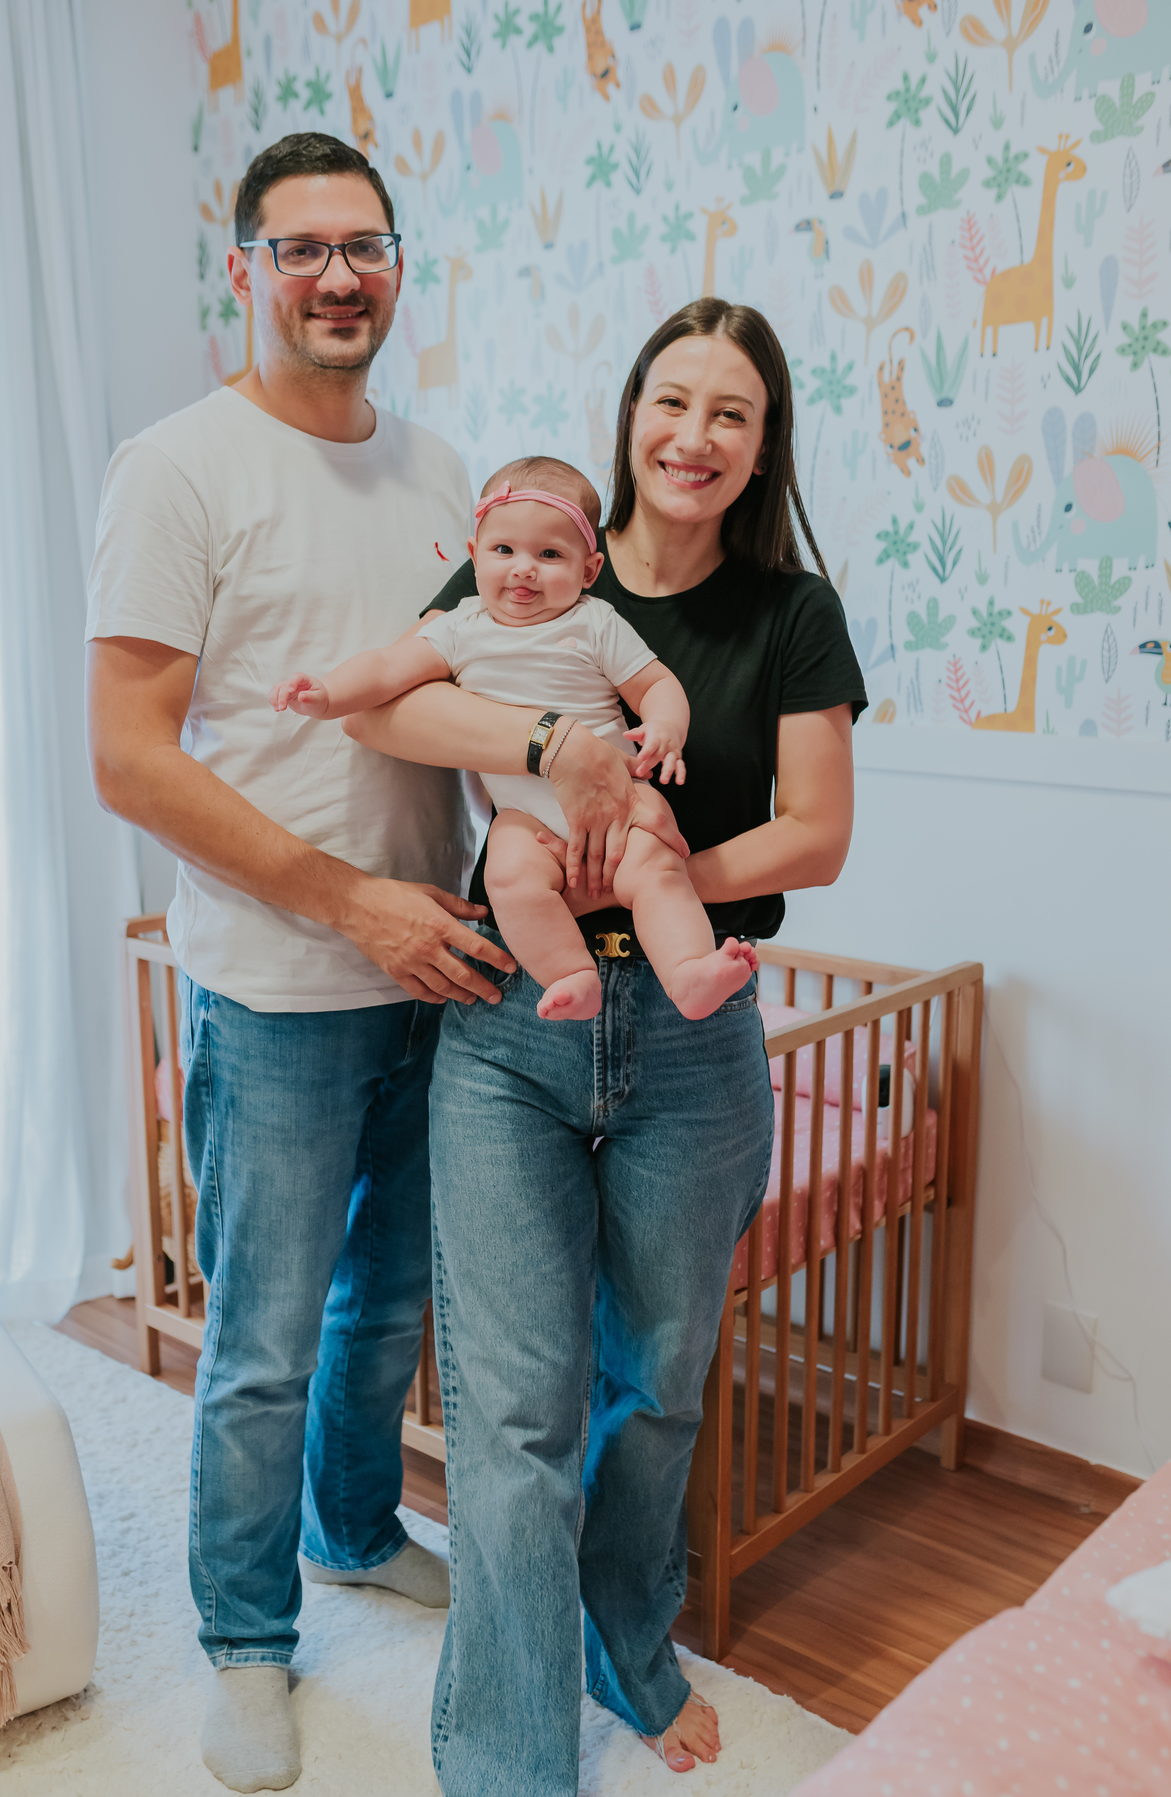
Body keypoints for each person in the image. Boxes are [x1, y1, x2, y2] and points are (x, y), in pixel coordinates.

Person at [343, 298, 868, 1793]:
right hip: (513, 1019)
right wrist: (545, 756)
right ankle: (509, 1759)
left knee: (660, 1383)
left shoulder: (788, 612)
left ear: (763, 448)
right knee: (513, 1415)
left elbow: (817, 834)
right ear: (630, 412)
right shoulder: (523, 564)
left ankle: (626, 1645)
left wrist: (642, 865)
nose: (694, 436)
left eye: (733, 414)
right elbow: (397, 711)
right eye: (672, 400)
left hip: (690, 1037)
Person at [84, 132, 523, 1795]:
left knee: (389, 1298)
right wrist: (350, 902)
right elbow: (132, 757)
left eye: (368, 244)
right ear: (248, 271)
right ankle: (246, 1639)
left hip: (442, 966)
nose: (340, 274)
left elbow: (469, 695)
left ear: (398, 266)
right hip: (279, 978)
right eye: (303, 247)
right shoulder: (179, 467)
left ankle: (351, 1527)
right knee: (261, 1334)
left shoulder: (440, 468)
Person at [270, 457, 758, 1023]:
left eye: (550, 555)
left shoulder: (592, 623)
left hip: (619, 795)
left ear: (588, 568)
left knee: (656, 870)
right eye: (504, 551)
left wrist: (667, 729)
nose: (523, 569)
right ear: (474, 554)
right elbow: (385, 669)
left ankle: (689, 972)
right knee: (508, 877)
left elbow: (656, 684)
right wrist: (327, 692)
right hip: (525, 818)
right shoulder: (459, 627)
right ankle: (571, 975)